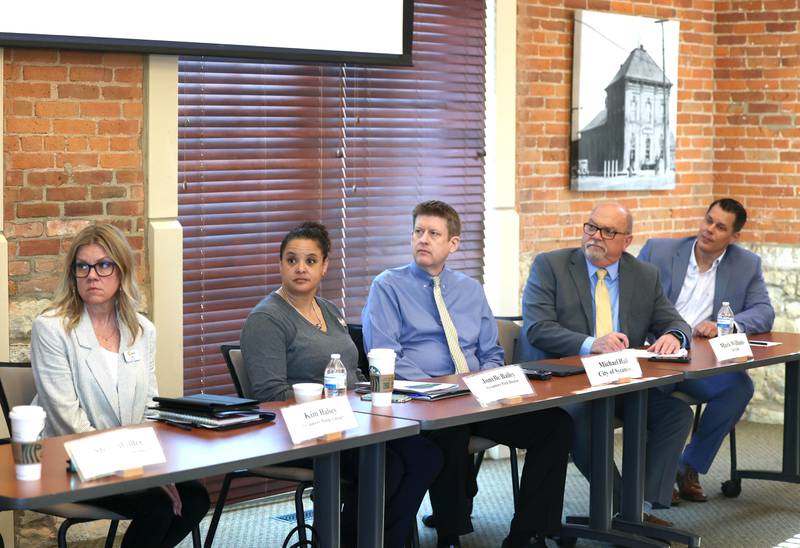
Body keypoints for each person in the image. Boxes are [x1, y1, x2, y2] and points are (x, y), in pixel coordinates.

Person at [362, 201, 572, 548]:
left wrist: (486, 384)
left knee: (556, 424)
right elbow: (385, 356)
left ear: (453, 244)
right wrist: (445, 388)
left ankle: (528, 532)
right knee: (451, 425)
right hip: (424, 401)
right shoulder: (387, 286)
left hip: (478, 397)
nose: (423, 240)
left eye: (433, 233)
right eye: (418, 232)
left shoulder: (470, 290)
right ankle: (450, 532)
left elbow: (490, 352)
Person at [240, 221, 441, 547]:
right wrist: (336, 400)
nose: (300, 268)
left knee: (426, 456)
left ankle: (383, 539)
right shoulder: (266, 319)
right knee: (386, 466)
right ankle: (352, 540)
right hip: (301, 432)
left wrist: (371, 393)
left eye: (310, 261)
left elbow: (352, 372)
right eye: (291, 260)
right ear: (280, 265)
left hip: (354, 423)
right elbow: (268, 397)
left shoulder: (330, 310)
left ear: (324, 267)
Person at [31, 224, 209, 548]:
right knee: (156, 505)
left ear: (121, 271)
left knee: (195, 498)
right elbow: (66, 421)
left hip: (128, 460)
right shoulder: (51, 328)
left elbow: (149, 410)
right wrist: (133, 469)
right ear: (73, 274)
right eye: (82, 266)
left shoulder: (142, 329)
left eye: (103, 265)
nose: (92, 275)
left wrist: (152, 467)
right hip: (70, 461)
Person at [517, 202, 693, 525]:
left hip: (618, 380)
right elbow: (536, 327)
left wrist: (675, 337)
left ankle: (638, 506)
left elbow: (676, 322)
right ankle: (623, 510)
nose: (595, 236)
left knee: (676, 414)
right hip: (566, 382)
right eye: (591, 227)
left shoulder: (643, 275)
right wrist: (590, 344)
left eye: (608, 231)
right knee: (585, 422)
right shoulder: (550, 266)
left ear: (627, 241)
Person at [639, 198, 774, 502]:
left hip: (701, 360)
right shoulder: (657, 251)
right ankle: (657, 478)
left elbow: (764, 311)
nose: (709, 229)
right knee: (651, 399)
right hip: (656, 352)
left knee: (738, 387)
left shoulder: (746, 263)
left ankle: (688, 465)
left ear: (734, 236)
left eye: (720, 226)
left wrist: (726, 322)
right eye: (708, 220)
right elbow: (632, 300)